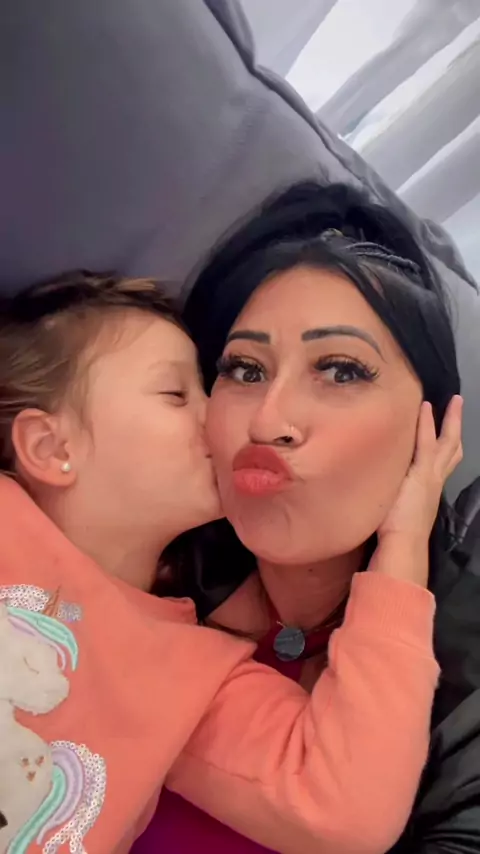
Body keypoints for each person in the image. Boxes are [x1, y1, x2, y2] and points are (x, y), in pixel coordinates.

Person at [0, 271, 456, 854]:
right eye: (176, 395)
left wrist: (404, 543)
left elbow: (347, 810)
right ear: (51, 447)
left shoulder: (191, 673)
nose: (225, 418)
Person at [133, 182, 476, 854]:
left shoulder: (462, 683)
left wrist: (401, 553)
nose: (268, 420)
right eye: (244, 369)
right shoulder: (142, 566)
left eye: (341, 371)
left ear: (432, 429)